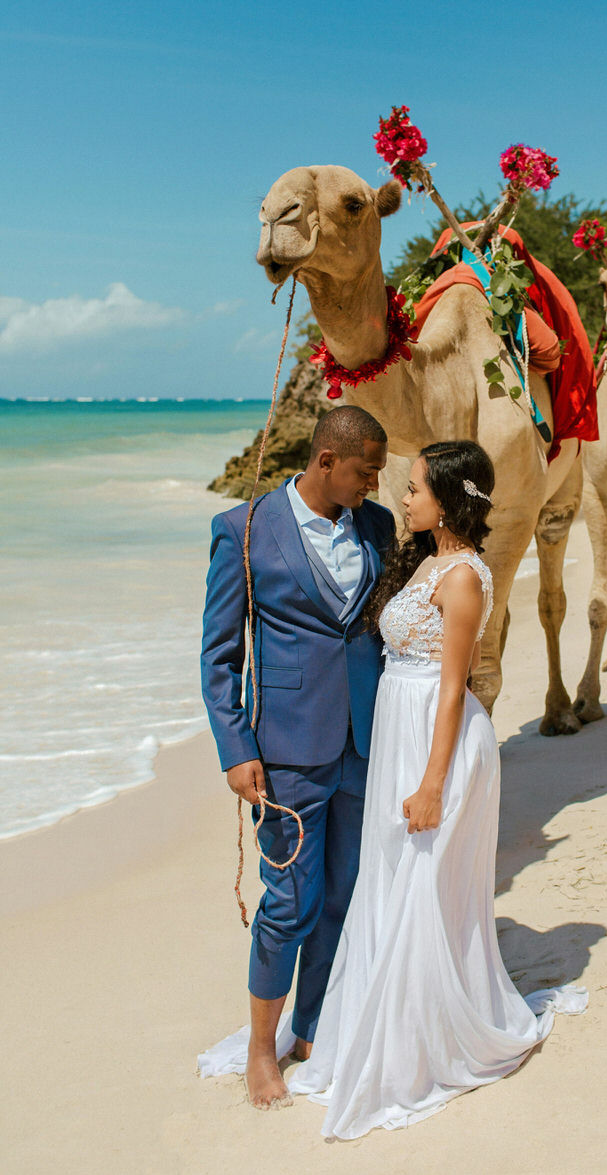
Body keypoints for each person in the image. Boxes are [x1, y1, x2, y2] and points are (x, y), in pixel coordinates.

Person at [288, 440, 587, 1139]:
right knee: (394, 882)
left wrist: (430, 784)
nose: (404, 496)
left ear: (449, 499)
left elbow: (455, 687)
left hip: (437, 741)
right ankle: (391, 1020)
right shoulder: (423, 558)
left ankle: (421, 1040)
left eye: (416, 487)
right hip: (402, 727)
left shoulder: (464, 578)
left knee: (423, 884)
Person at [200, 405, 395, 1109]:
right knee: (289, 903)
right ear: (325, 462)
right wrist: (234, 747)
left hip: (364, 742)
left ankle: (313, 1028)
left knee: (342, 895)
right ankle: (261, 1048)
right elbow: (219, 655)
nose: (375, 482)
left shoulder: (375, 526)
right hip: (283, 751)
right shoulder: (244, 530)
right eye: (365, 470)